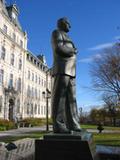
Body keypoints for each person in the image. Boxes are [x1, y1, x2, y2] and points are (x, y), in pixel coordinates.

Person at [51, 17, 81, 133]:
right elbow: (59, 48)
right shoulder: (56, 33)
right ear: (63, 23)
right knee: (60, 97)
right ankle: (58, 124)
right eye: (69, 24)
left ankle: (73, 123)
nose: (70, 26)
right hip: (62, 68)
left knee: (72, 98)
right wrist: (73, 50)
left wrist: (73, 50)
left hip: (71, 70)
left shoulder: (67, 37)